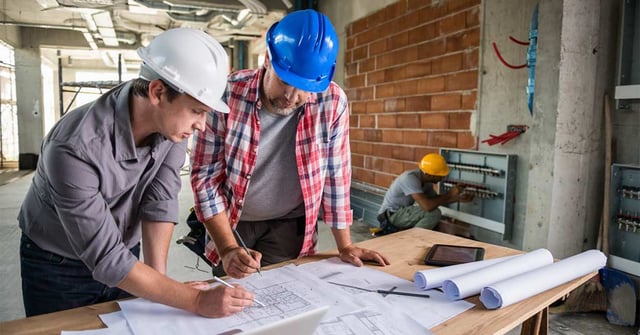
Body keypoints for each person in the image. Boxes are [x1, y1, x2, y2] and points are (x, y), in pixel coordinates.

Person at [18, 28, 256, 318]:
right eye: (196, 111)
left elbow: (160, 201)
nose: (202, 126)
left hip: (125, 252)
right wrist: (194, 300)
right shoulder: (73, 148)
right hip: (58, 264)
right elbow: (107, 259)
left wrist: (163, 287)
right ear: (157, 92)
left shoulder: (171, 129)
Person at [190, 9, 390, 279]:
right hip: (235, 221)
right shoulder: (227, 95)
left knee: (284, 295)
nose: (291, 96)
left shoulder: (332, 102)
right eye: (284, 81)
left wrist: (345, 244)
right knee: (231, 296)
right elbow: (205, 177)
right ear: (267, 60)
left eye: (304, 87)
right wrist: (227, 248)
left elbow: (337, 176)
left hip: (290, 223)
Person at [374, 153, 474, 236]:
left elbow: (435, 200)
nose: (442, 179)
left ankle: (409, 236)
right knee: (434, 213)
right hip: (390, 216)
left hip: (400, 213)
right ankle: (410, 241)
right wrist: (449, 194)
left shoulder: (426, 181)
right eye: (440, 175)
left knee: (433, 213)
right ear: (429, 174)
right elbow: (427, 206)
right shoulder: (410, 179)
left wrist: (457, 198)